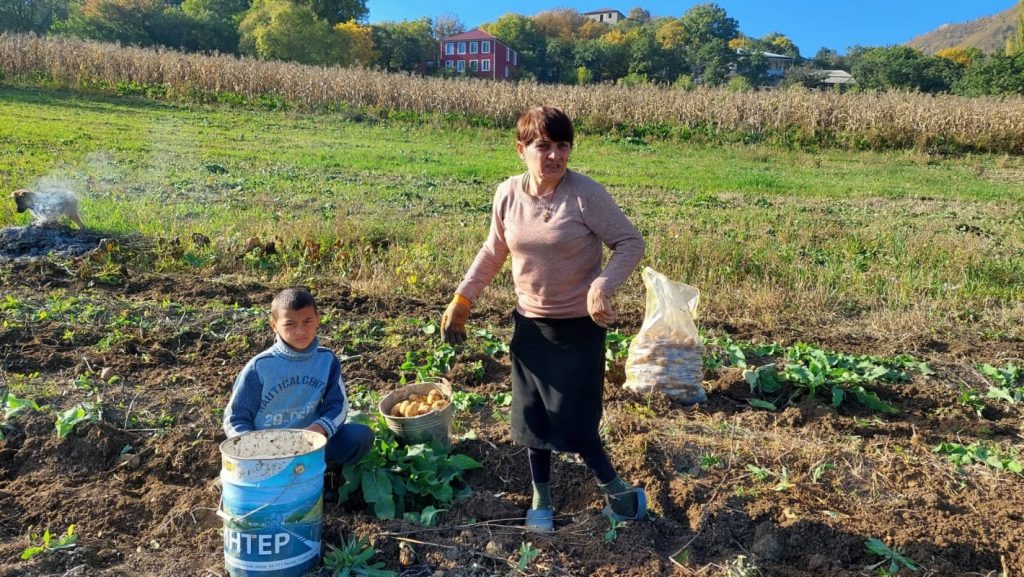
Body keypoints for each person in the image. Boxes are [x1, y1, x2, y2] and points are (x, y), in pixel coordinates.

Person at [440, 106, 647, 533]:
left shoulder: (585, 194)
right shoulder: (508, 194)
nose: (554, 155)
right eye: (543, 146)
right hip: (530, 326)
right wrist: (464, 298)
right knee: (532, 417)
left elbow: (629, 242)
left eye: (563, 145)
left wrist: (601, 286)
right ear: (521, 150)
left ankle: (617, 491)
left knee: (576, 420)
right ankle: (541, 496)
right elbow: (494, 250)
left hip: (578, 329)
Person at [223, 287, 373, 470]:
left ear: (318, 319)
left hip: (312, 443)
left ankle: (324, 471)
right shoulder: (261, 366)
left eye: (307, 321)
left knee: (359, 437)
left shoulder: (326, 360)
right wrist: (256, 447)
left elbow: (338, 407)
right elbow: (235, 418)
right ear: (274, 325)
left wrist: (318, 430)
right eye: (290, 324)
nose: (300, 331)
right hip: (268, 451)